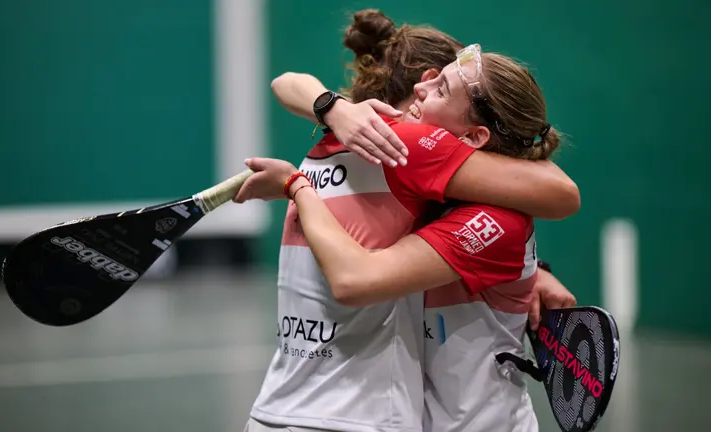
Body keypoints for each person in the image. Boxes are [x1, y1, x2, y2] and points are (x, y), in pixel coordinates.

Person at [239, 10, 577, 432]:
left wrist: (317, 138)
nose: (424, 88)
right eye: (431, 77)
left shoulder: (343, 140)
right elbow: (562, 193)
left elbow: (286, 82)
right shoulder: (407, 151)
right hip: (355, 417)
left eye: (442, 86)